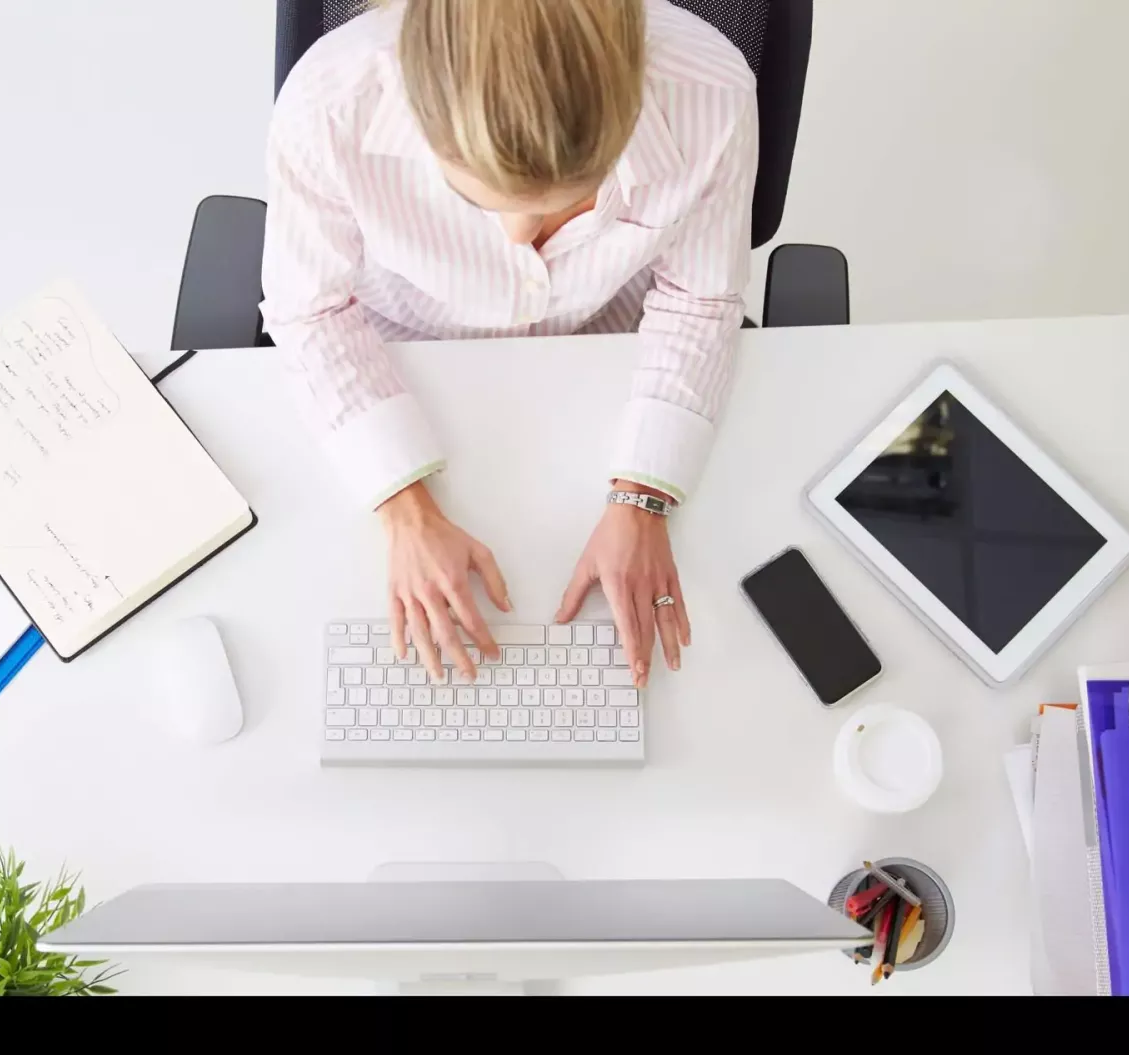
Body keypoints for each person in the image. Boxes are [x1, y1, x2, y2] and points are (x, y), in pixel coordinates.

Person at [261, 0, 758, 688]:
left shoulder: (711, 92)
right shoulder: (329, 105)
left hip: (606, 358)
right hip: (406, 360)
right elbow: (310, 311)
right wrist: (405, 510)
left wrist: (643, 496)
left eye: (573, 199)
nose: (522, 240)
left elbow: (698, 298)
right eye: (481, 200)